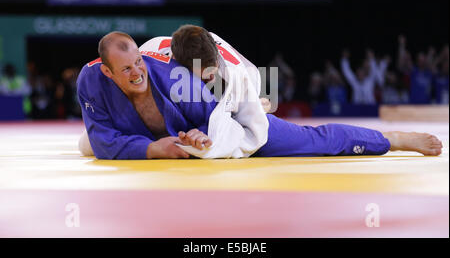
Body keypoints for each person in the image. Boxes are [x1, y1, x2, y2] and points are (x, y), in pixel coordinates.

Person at [77, 28, 443, 160]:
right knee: (87, 145)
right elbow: (136, 83)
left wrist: (214, 136)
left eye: (203, 77)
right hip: (176, 110)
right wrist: (157, 144)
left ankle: (390, 140)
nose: (135, 71)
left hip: (247, 96)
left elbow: (251, 127)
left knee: (299, 135)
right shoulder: (156, 56)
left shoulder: (238, 75)